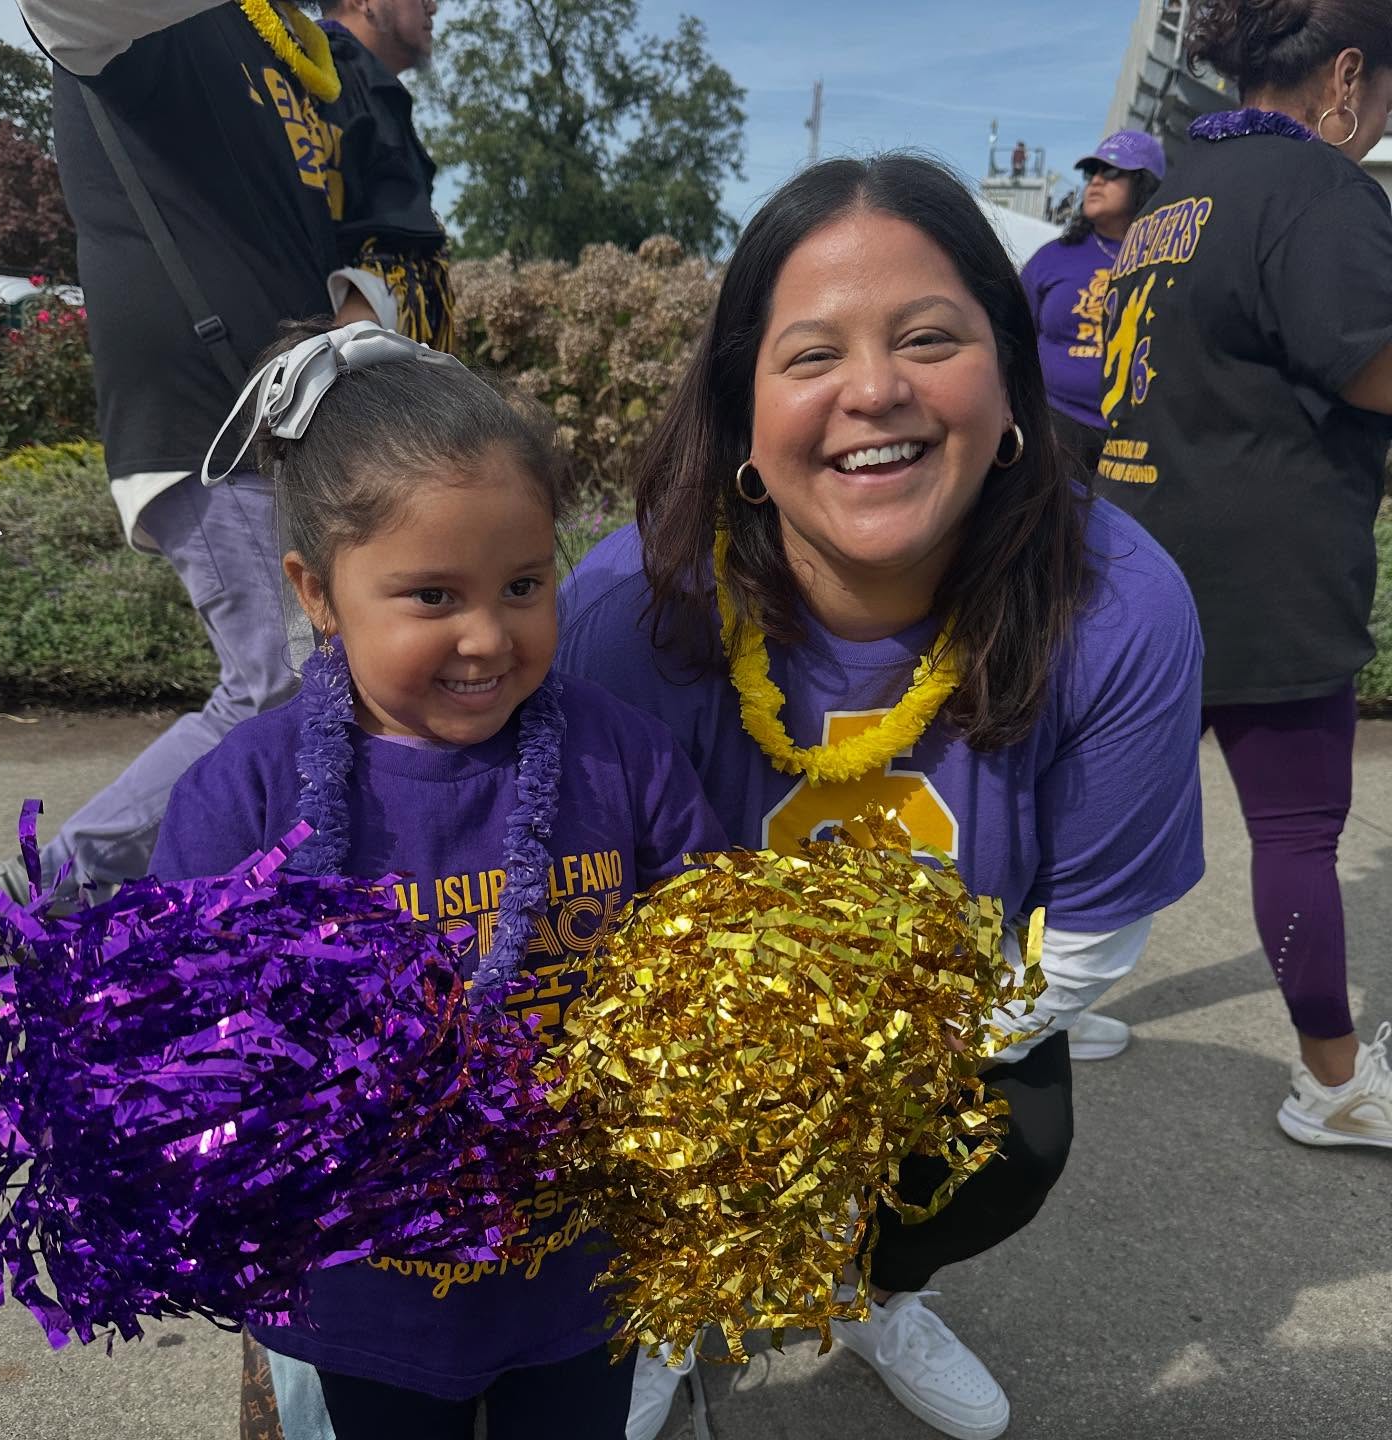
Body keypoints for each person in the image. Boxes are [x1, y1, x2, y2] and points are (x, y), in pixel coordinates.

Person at [558, 153, 1205, 1440]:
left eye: (928, 337)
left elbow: (1087, 935)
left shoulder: (1121, 606)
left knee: (1013, 1146)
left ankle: (870, 1289)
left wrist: (869, 1085)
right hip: (686, 1031)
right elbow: (575, 912)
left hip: (948, 1018)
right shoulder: (633, 610)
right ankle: (670, 1300)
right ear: (741, 406)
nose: (874, 391)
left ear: (1011, 378)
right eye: (810, 356)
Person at [150, 320, 727, 1439]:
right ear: (317, 593)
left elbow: (708, 961)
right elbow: (184, 1045)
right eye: (430, 596)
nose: (486, 636)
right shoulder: (243, 801)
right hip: (364, 1288)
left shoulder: (626, 758)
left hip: (575, 1278)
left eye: (522, 584)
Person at [0, 1, 400, 938]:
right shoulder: (164, 22)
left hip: (296, 418)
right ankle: (42, 890)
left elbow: (339, 222)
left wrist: (362, 302)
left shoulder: (294, 49)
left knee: (327, 676)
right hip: (208, 417)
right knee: (276, 683)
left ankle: (277, 911)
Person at [1096, 0, 1392, 1147]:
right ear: (1346, 76)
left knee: (1076, 813)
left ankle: (1034, 1011)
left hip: (1133, 564)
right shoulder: (1320, 194)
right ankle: (1333, 1083)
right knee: (1298, 832)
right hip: (1264, 581)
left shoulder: (1170, 195)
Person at [1021, 131, 1164, 479]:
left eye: (1112, 172)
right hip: (1057, 425)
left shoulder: (1167, 260)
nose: (1096, 181)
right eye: (1091, 172)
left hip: (1139, 436)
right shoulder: (1052, 259)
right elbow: (1012, 335)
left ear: (1143, 185)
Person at [317, 0, 455, 347]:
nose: (433, 8)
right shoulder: (334, 80)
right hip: (335, 375)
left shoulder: (346, 77)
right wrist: (338, 366)